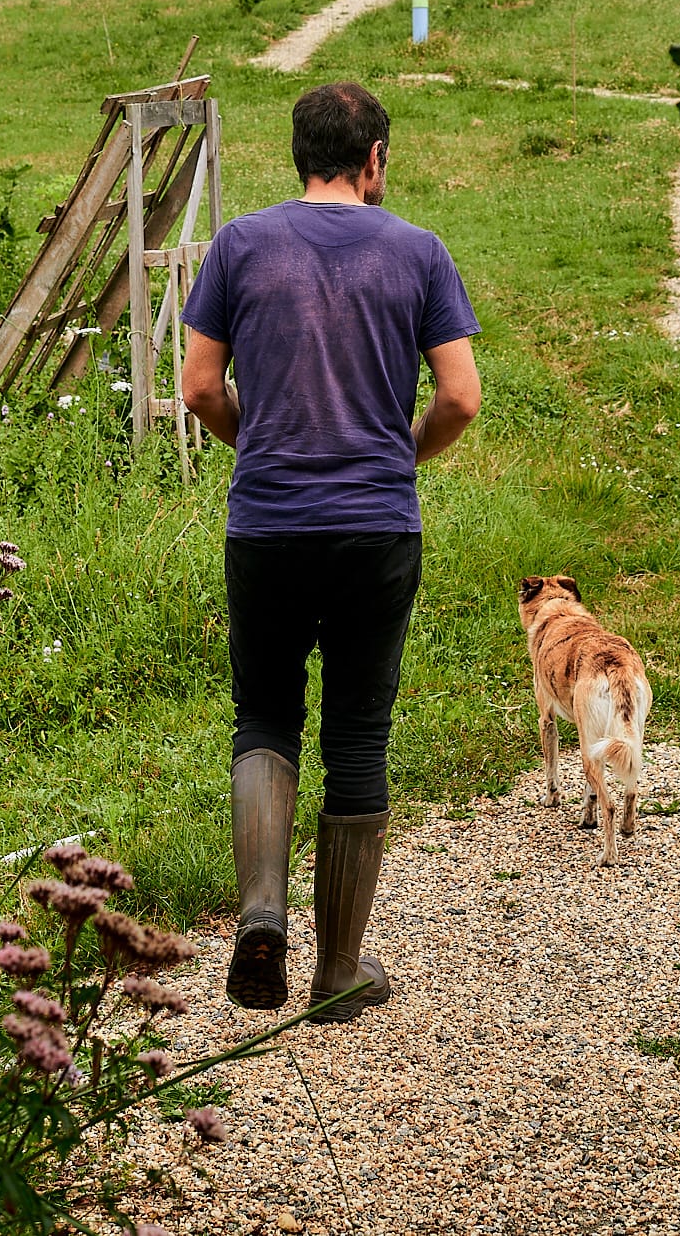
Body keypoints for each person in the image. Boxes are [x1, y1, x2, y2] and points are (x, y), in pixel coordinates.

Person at [180, 79, 481, 1023]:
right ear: (375, 157)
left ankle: (261, 914)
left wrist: (261, 443)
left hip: (266, 522)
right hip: (375, 527)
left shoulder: (240, 245)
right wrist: (401, 458)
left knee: (263, 713)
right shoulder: (419, 253)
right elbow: (461, 397)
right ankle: (338, 971)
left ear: (299, 155)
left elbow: (197, 388)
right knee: (357, 731)